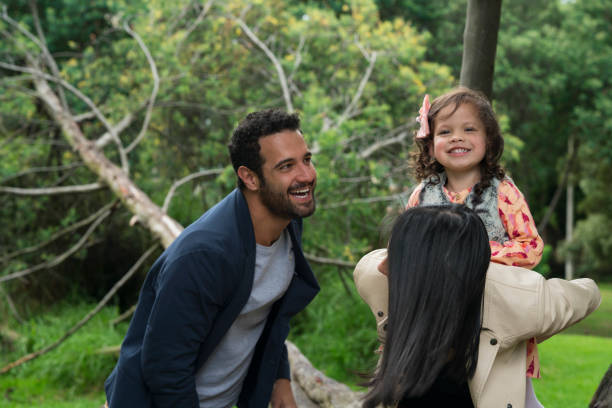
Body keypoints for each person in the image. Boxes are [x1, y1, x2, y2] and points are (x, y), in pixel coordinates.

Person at [104, 108, 320, 408]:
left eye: (306, 160)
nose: (306, 176)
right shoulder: (205, 255)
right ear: (249, 177)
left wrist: (279, 377)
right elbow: (165, 369)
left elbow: (269, 312)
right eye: (286, 166)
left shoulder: (287, 219)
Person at [354, 205, 601, 408]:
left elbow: (589, 293)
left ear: (434, 273)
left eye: (397, 257)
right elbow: (373, 265)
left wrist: (522, 332)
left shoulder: (520, 299)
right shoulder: (377, 279)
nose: (384, 266)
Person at [404, 87, 545, 400]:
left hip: (493, 314)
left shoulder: (503, 193)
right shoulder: (422, 196)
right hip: (436, 318)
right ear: (429, 146)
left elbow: (531, 246)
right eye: (445, 131)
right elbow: (406, 251)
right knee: (442, 391)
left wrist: (477, 254)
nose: (457, 137)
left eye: (469, 129)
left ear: (489, 140)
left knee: (505, 393)